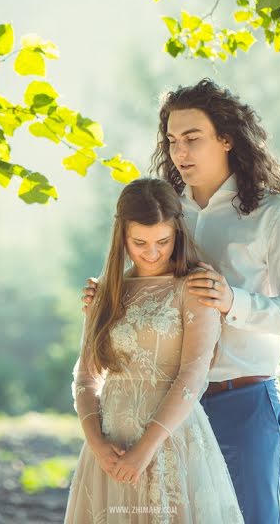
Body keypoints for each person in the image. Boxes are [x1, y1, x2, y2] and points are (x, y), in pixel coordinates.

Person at [84, 79, 280, 524]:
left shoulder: (275, 213)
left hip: (243, 401)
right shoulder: (167, 209)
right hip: (164, 410)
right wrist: (108, 295)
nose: (179, 152)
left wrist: (234, 300)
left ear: (227, 138)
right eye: (172, 141)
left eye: (193, 138)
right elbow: (135, 273)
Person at [64, 178, 244, 523]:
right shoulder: (104, 293)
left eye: (163, 241)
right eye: (139, 242)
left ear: (177, 232)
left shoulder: (195, 285)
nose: (152, 252)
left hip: (170, 443)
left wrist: (145, 450)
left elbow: (192, 375)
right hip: (108, 445)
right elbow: (86, 376)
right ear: (122, 238)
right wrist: (98, 444)